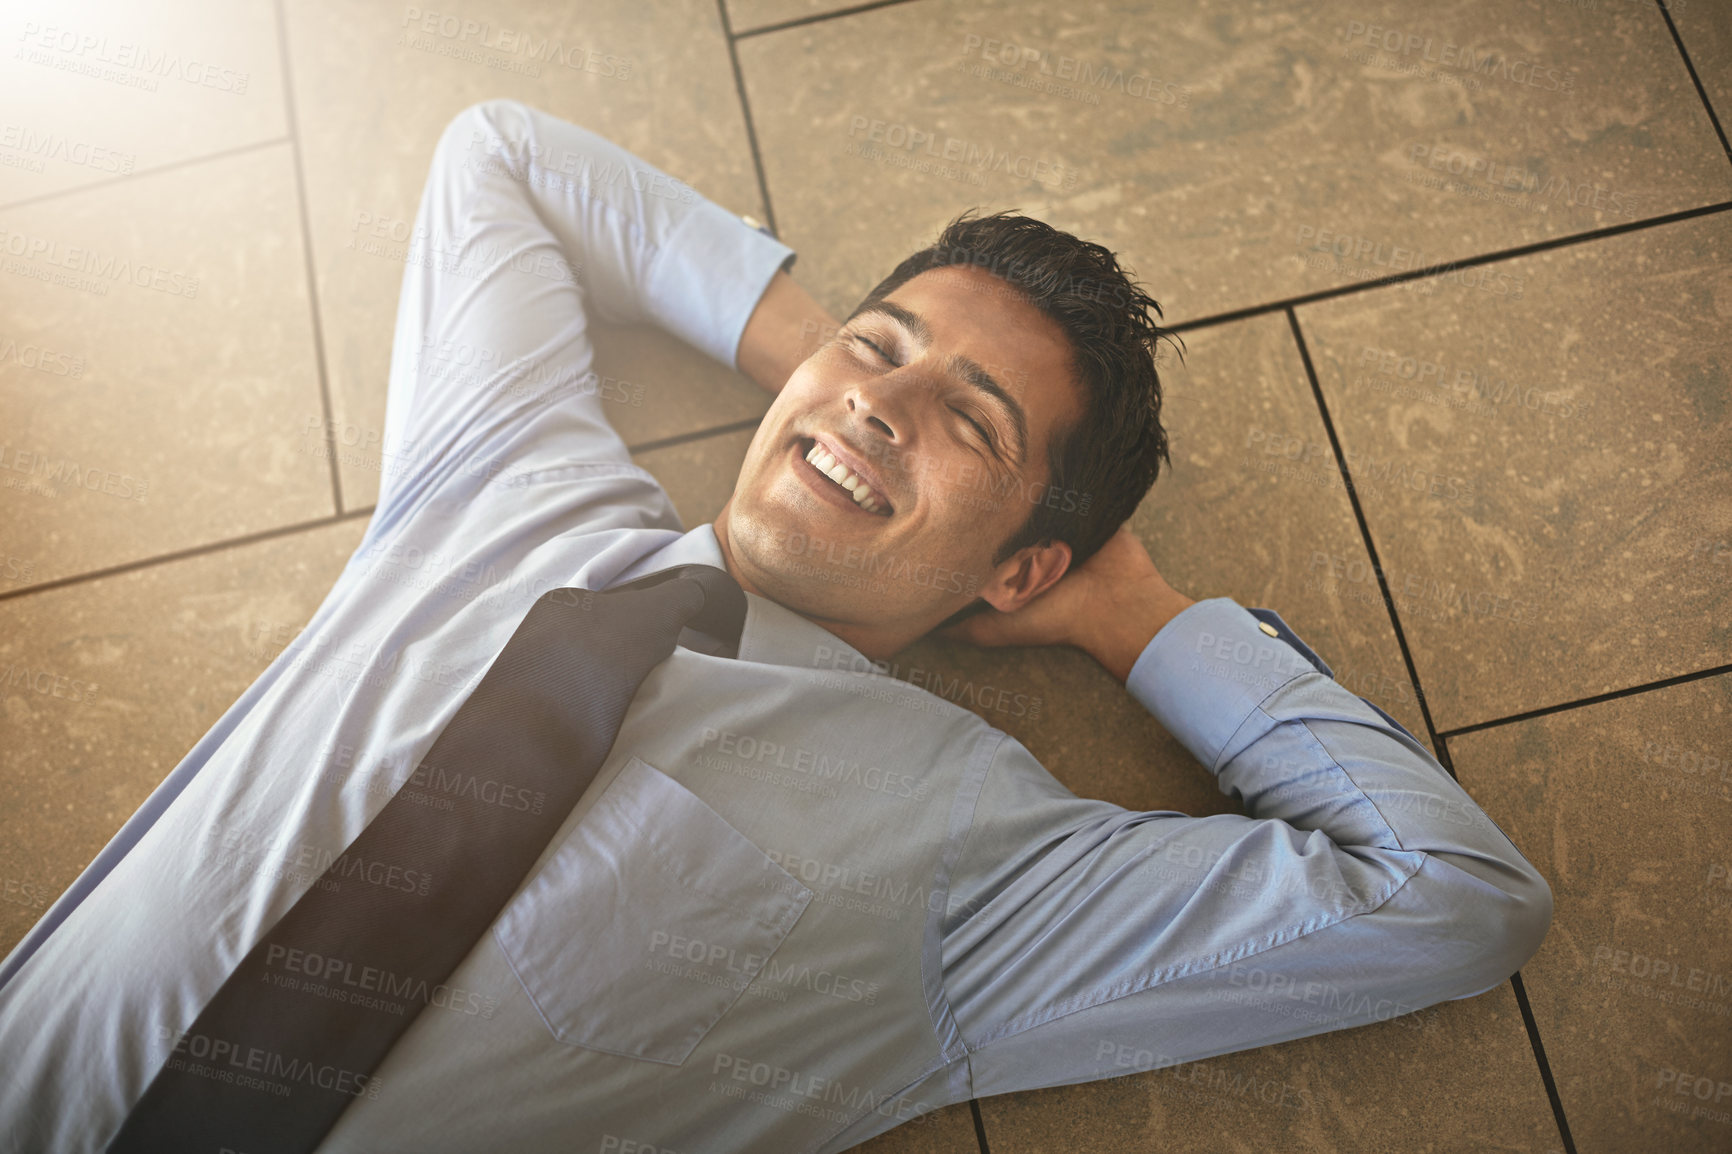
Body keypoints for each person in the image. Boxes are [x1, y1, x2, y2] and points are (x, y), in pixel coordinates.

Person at [0, 100, 1551, 1154]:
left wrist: (1135, 616)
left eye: (974, 421)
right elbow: (502, 159)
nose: (882, 393)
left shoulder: (976, 858)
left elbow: (1454, 894)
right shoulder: (510, 488)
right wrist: (844, 381)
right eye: (884, 349)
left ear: (1019, 569)